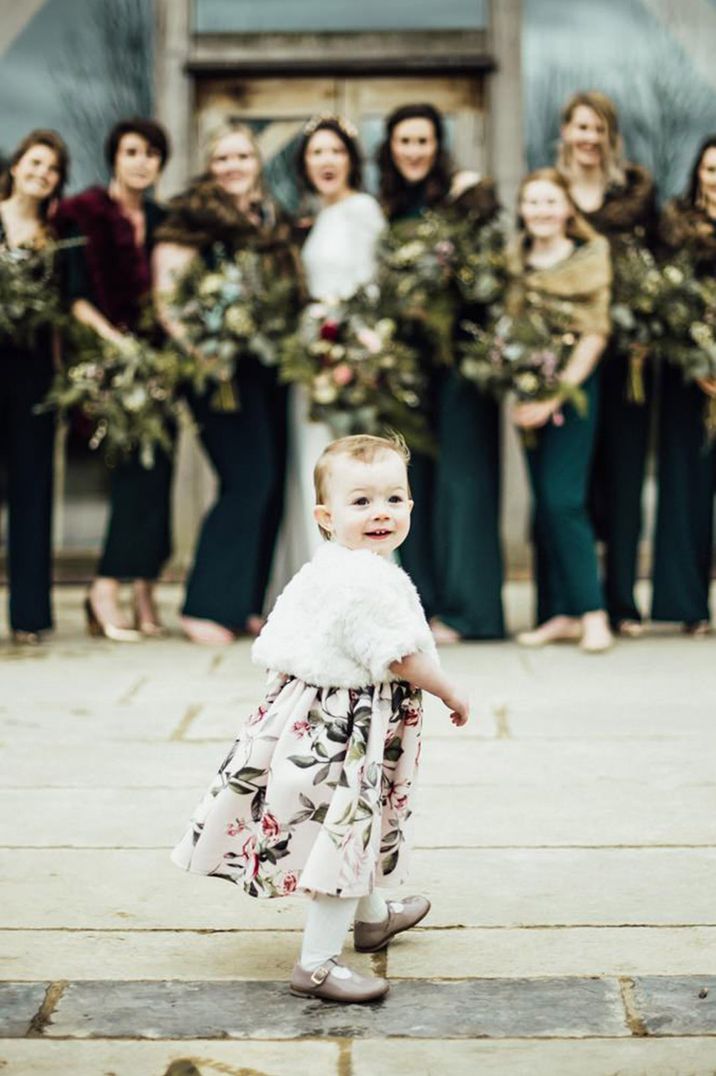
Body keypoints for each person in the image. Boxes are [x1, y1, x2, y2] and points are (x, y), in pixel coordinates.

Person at [171, 434, 469, 1002]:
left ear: (410, 504)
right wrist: (450, 690)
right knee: (346, 834)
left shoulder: (334, 565)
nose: (380, 512)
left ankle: (374, 916)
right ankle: (316, 964)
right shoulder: (362, 580)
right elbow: (399, 656)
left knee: (355, 823)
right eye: (361, 502)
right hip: (342, 730)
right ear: (326, 516)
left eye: (394, 498)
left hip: (316, 717)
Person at [154, 122, 298, 644]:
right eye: (222, 158)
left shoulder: (270, 218)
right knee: (246, 480)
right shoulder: (191, 217)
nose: (232, 166)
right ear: (210, 166)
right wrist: (204, 352)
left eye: (242, 156)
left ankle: (241, 606)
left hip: (267, 369)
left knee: (272, 485)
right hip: (216, 370)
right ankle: (204, 606)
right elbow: (168, 298)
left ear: (257, 162)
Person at [377, 103, 505, 642]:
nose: (413, 151)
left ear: (438, 146)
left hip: (460, 360)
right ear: (391, 148)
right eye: (404, 141)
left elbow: (488, 278)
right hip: (405, 363)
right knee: (413, 483)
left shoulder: (461, 199)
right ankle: (424, 604)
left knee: (463, 481)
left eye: (423, 141)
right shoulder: (386, 207)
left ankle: (472, 610)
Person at [57, 117, 172, 641]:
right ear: (115, 157)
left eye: (151, 153)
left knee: (160, 475)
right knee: (132, 475)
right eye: (132, 151)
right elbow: (73, 292)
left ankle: (144, 587)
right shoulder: (83, 212)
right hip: (107, 363)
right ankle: (104, 587)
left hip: (161, 368)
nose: (141, 161)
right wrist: (115, 342)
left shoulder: (163, 218)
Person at [557, 91, 658, 636]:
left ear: (610, 136)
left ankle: (621, 600)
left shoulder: (635, 197)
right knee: (570, 483)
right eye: (580, 127)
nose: (588, 138)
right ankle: (570, 600)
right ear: (566, 133)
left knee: (621, 478)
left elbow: (657, 266)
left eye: (598, 129)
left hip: (627, 357)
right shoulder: (551, 192)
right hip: (565, 352)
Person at [276, 114, 385, 581]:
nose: (326, 160)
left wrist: (360, 348)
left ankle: (356, 576)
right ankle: (314, 577)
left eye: (335, 151)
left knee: (348, 465)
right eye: (317, 152)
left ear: (350, 160)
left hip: (349, 351)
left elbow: (378, 287)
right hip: (310, 353)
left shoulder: (364, 210)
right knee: (312, 462)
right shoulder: (311, 218)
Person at [509, 169, 613, 653]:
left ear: (568, 208)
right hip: (528, 398)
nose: (542, 210)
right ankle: (560, 613)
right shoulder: (513, 264)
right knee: (542, 506)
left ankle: (594, 614)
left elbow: (595, 334)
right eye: (533, 202)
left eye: (551, 201)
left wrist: (554, 396)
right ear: (522, 209)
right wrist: (520, 391)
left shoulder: (588, 260)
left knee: (563, 500)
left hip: (574, 393)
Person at [0, 130, 69, 644]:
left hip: (33, 376)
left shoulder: (56, 235)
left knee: (32, 489)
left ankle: (29, 616)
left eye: (52, 169)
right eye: (35, 162)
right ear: (17, 164)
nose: (41, 173)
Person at [651, 136, 716, 634]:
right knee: (685, 490)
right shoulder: (673, 231)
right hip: (686, 379)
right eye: (711, 170)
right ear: (698, 175)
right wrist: (698, 362)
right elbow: (660, 305)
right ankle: (687, 606)